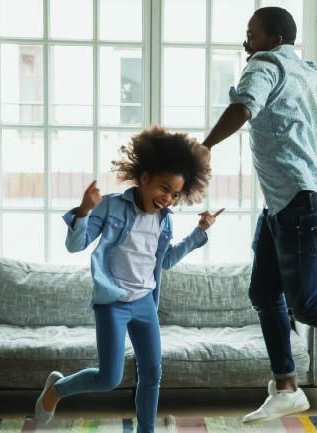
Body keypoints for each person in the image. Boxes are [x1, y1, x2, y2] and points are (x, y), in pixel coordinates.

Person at [201, 6, 317, 423]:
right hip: (285, 204)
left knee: (303, 305)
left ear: (275, 39)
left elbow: (244, 107)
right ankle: (286, 387)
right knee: (264, 295)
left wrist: (206, 145)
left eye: (252, 34)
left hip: (300, 204)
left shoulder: (263, 65)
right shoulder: (302, 70)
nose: (245, 42)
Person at [34, 126, 221, 433]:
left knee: (152, 373)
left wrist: (199, 232)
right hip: (113, 304)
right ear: (144, 178)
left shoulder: (164, 220)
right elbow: (75, 245)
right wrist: (83, 211)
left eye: (175, 194)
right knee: (108, 378)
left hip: (145, 303)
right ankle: (56, 390)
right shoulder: (110, 206)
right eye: (164, 188)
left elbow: (167, 260)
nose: (168, 199)